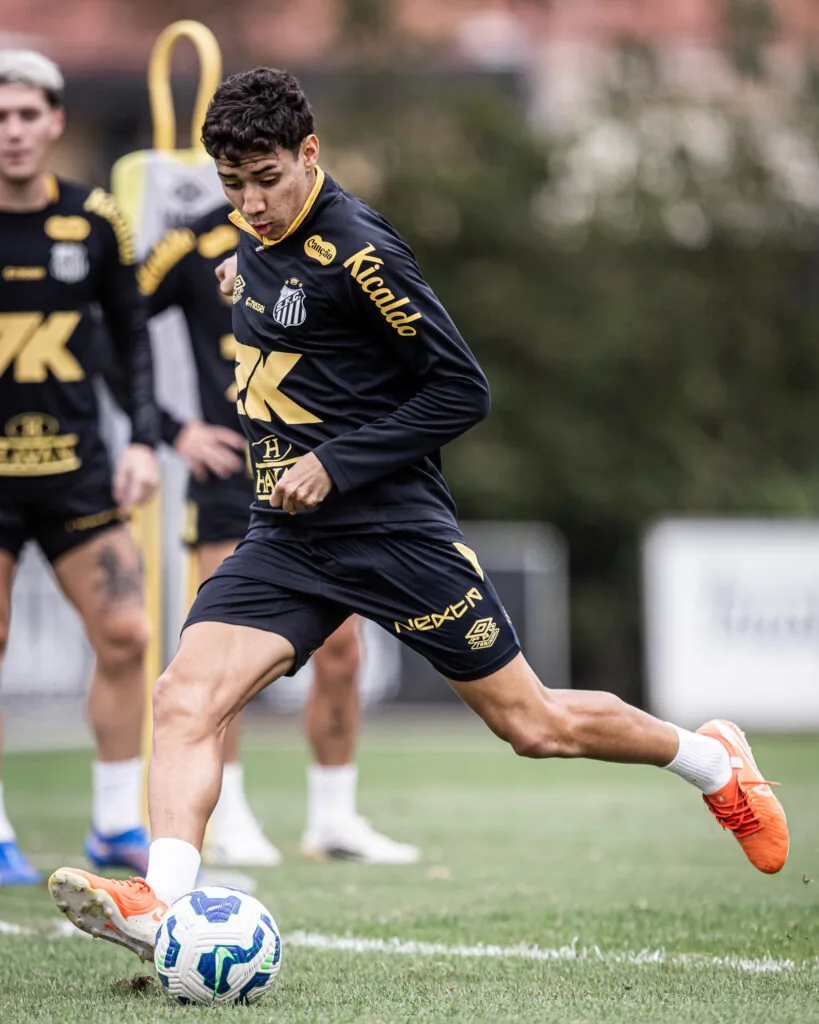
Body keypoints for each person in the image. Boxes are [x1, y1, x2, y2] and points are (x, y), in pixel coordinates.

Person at [49, 68, 789, 959]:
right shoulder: (253, 239)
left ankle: (711, 761)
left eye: (267, 180)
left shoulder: (361, 250)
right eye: (233, 183)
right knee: (183, 697)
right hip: (286, 537)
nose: (250, 203)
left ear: (310, 153)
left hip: (393, 532)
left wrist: (335, 463)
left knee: (532, 726)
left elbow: (461, 390)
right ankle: (160, 903)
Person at [137, 207, 419, 865]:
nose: (255, 188)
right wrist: (173, 430)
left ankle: (333, 818)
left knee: (343, 651)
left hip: (316, 476)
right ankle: (228, 816)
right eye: (238, 171)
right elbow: (110, 321)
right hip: (231, 477)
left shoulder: (337, 238)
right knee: (219, 655)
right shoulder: (193, 242)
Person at [0, 51, 160, 884]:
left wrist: (142, 440)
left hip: (77, 473)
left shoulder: (95, 219)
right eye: (0, 118)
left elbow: (131, 338)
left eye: (27, 114)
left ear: (56, 121)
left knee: (128, 634)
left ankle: (115, 824)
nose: (13, 131)